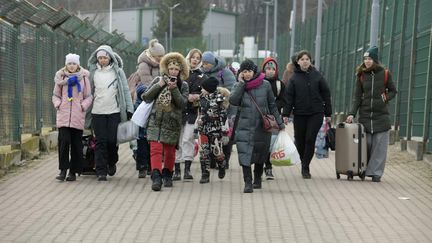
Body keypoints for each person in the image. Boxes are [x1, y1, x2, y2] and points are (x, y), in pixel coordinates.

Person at [229, 59, 285, 193]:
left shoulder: (265, 85)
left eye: (249, 71)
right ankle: (248, 182)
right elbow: (233, 100)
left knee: (260, 153)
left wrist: (280, 123)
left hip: (262, 126)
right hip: (244, 126)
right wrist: (241, 84)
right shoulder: (239, 85)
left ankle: (257, 179)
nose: (247, 74)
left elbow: (272, 105)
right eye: (244, 72)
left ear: (254, 71)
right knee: (244, 154)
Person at [346, 46, 397, 182]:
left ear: (375, 60)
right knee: (366, 145)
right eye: (365, 59)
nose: (367, 61)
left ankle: (376, 173)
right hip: (365, 116)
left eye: (369, 59)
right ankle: (362, 169)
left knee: (379, 147)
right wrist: (352, 113)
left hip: (381, 116)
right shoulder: (361, 75)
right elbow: (357, 97)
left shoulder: (385, 73)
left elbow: (393, 90)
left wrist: (386, 97)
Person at [142, 52, 189, 191]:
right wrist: (159, 85)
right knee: (155, 150)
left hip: (172, 123)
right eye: (171, 68)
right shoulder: (158, 80)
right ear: (166, 68)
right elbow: (146, 97)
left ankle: (168, 174)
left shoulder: (183, 85)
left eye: (176, 69)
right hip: (155, 121)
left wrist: (174, 89)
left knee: (169, 152)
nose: (173, 71)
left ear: (180, 70)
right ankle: (156, 177)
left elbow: (182, 104)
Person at [282, 50, 332, 179]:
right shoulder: (294, 78)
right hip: (300, 113)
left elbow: (326, 93)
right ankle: (302, 158)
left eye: (307, 59)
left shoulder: (317, 76)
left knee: (310, 139)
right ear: (298, 62)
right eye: (302, 59)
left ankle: (305, 166)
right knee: (300, 140)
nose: (305, 61)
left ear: (310, 61)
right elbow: (289, 98)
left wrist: (328, 112)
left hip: (316, 113)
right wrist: (286, 114)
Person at [87, 45, 134, 181]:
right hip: (98, 111)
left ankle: (112, 161)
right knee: (100, 141)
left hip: (114, 111)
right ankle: (101, 170)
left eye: (105, 57)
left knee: (112, 141)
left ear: (110, 57)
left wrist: (129, 109)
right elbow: (88, 92)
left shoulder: (118, 72)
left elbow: (125, 91)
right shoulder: (93, 73)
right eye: (100, 58)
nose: (102, 60)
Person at [53, 53, 92, 181]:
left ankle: (73, 171)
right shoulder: (60, 78)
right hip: (63, 116)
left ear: (78, 65)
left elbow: (88, 96)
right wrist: (58, 105)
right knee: (64, 142)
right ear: (66, 64)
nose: (72, 66)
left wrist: (83, 106)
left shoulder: (84, 78)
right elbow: (55, 95)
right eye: (69, 63)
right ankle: (63, 169)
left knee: (76, 144)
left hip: (77, 116)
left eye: (74, 63)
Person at [173, 49, 207, 181]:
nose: (195, 60)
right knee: (177, 140)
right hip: (178, 111)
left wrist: (197, 97)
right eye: (193, 57)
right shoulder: (181, 73)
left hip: (192, 112)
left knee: (188, 139)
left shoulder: (202, 76)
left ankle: (187, 169)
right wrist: (186, 97)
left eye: (198, 58)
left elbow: (206, 94)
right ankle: (176, 170)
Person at [201, 51, 236, 169]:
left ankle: (225, 159)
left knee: (225, 135)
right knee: (211, 135)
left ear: (212, 63)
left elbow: (232, 89)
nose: (204, 65)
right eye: (203, 63)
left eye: (207, 63)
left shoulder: (225, 73)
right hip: (209, 111)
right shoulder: (202, 74)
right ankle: (212, 159)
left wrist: (220, 97)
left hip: (225, 110)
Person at [197, 77, 230, 184]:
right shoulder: (202, 99)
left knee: (217, 152)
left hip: (215, 130)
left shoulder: (219, 98)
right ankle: (205, 174)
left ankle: (221, 164)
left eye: (203, 88)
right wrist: (199, 122)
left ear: (209, 88)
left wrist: (224, 130)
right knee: (204, 152)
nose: (201, 90)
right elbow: (200, 112)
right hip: (203, 130)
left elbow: (223, 114)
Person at [260, 57, 286, 180]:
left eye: (272, 69)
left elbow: (283, 99)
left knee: (271, 144)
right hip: (260, 117)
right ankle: (260, 167)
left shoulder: (279, 84)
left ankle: (269, 167)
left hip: (273, 118)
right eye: (268, 68)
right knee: (262, 143)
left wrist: (276, 106)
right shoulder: (259, 82)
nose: (270, 71)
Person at [134, 84, 151, 178]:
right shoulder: (137, 105)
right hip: (140, 134)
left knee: (150, 151)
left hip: (149, 133)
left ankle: (150, 167)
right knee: (141, 152)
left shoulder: (150, 104)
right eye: (142, 93)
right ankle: (142, 168)